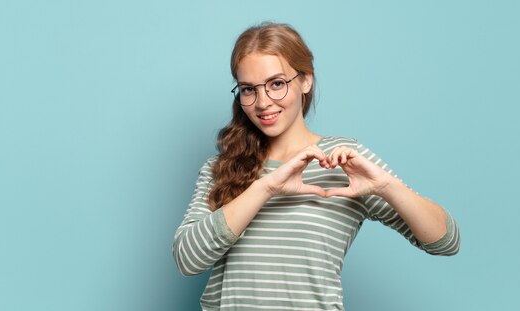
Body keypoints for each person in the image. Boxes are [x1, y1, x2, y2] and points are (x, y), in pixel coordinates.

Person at [173, 22, 460, 311]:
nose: (262, 102)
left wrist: (387, 187)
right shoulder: (222, 168)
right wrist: (266, 187)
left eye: (276, 84)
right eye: (249, 89)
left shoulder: (344, 161)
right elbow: (187, 259)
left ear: (306, 80)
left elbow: (445, 241)